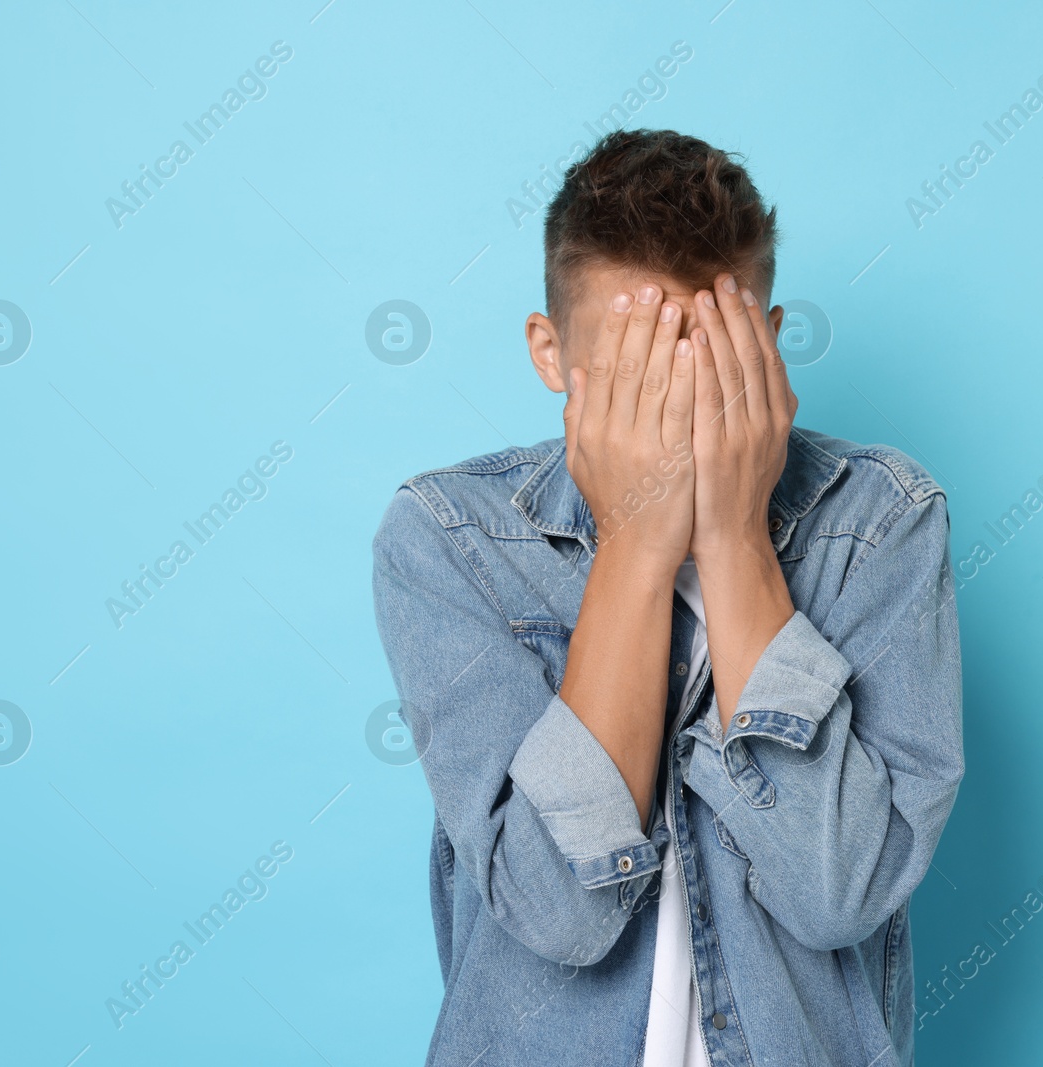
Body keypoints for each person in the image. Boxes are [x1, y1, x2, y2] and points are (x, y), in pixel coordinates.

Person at [371, 128, 963, 1066]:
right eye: (632, 373)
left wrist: (730, 536)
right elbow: (557, 909)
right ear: (550, 351)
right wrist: (639, 542)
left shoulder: (882, 524)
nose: (670, 413)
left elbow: (839, 888)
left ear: (765, 348)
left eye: (704, 368)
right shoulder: (449, 539)